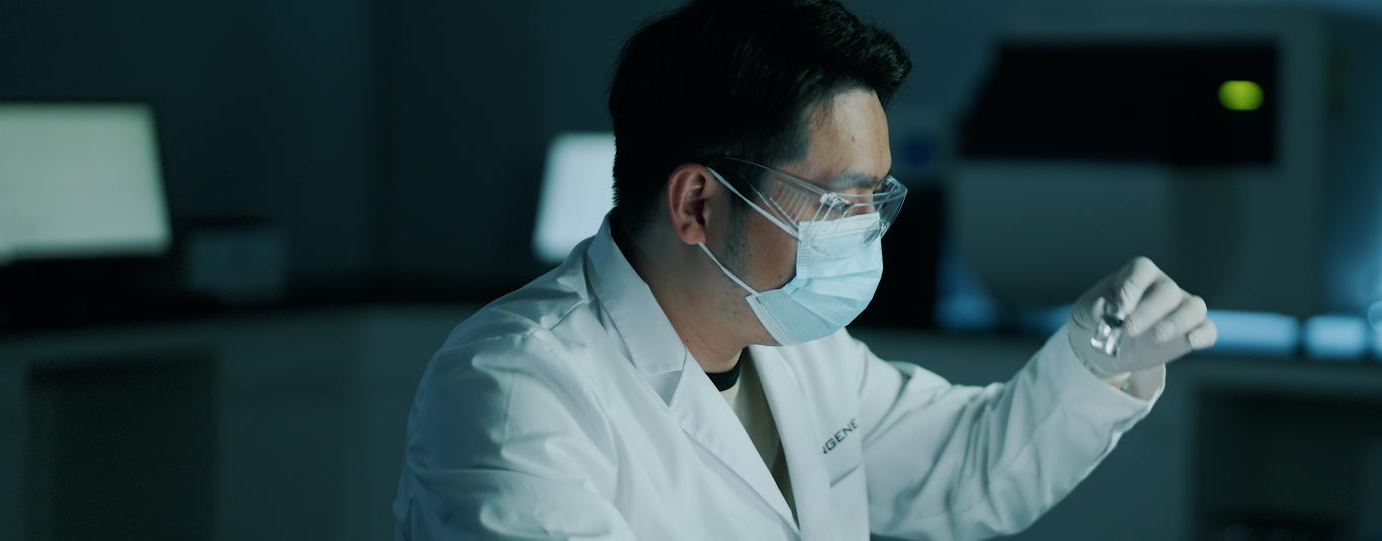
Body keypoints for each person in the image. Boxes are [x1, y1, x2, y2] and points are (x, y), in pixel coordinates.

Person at [390, 1, 1217, 538]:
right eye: (839, 200)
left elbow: (962, 469)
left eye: (876, 198)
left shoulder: (795, 342)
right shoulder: (516, 387)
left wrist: (1100, 360)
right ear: (697, 204)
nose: (867, 232)